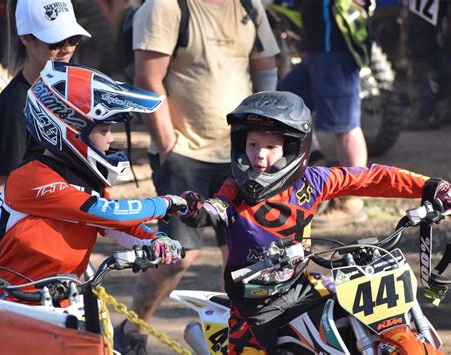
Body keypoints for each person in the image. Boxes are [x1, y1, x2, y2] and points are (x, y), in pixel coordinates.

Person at [178, 91, 451, 354]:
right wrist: (196, 210)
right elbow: (215, 207)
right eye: (253, 145)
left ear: (294, 148)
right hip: (254, 307)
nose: (260, 155)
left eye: (271, 146)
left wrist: (430, 187)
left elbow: (371, 177)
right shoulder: (234, 190)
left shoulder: (313, 182)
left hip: (303, 286)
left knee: (356, 322)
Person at [114, 1, 280, 353]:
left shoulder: (249, 7)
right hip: (186, 152)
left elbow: (265, 67)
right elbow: (147, 77)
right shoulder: (167, 6)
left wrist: (264, 130)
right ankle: (132, 327)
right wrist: (166, 142)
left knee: (245, 255)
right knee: (178, 256)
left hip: (242, 155)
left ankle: (239, 339)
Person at [0, 61, 187, 301]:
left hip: (65, 299)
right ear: (70, 127)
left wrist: (155, 240)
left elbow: (114, 226)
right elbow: (109, 213)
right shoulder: (31, 178)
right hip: (14, 304)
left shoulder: (86, 179)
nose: (111, 139)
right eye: (104, 130)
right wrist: (165, 203)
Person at [0, 0, 90, 246]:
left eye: (73, 38)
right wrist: (0, 267)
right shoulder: (14, 108)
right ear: (27, 38)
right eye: (55, 42)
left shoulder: (73, 88)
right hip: (31, 245)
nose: (66, 49)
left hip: (70, 234)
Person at [277, 0, 370, 224]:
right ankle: (317, 164)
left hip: (336, 52)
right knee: (286, 102)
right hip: (317, 50)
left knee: (345, 126)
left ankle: (352, 202)